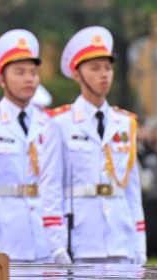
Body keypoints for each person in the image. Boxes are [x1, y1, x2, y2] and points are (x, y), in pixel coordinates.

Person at [0, 29, 65, 263]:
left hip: (44, 241)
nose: (29, 79)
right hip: (3, 240)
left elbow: (55, 188)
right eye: (20, 72)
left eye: (33, 73)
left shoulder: (49, 124)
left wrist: (59, 243)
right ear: (2, 79)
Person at [48, 26, 146, 264]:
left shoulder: (125, 123)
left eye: (108, 68)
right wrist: (57, 244)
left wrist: (139, 245)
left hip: (120, 239)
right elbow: (51, 188)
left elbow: (132, 190)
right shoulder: (60, 123)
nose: (104, 75)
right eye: (95, 68)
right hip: (81, 240)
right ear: (77, 75)